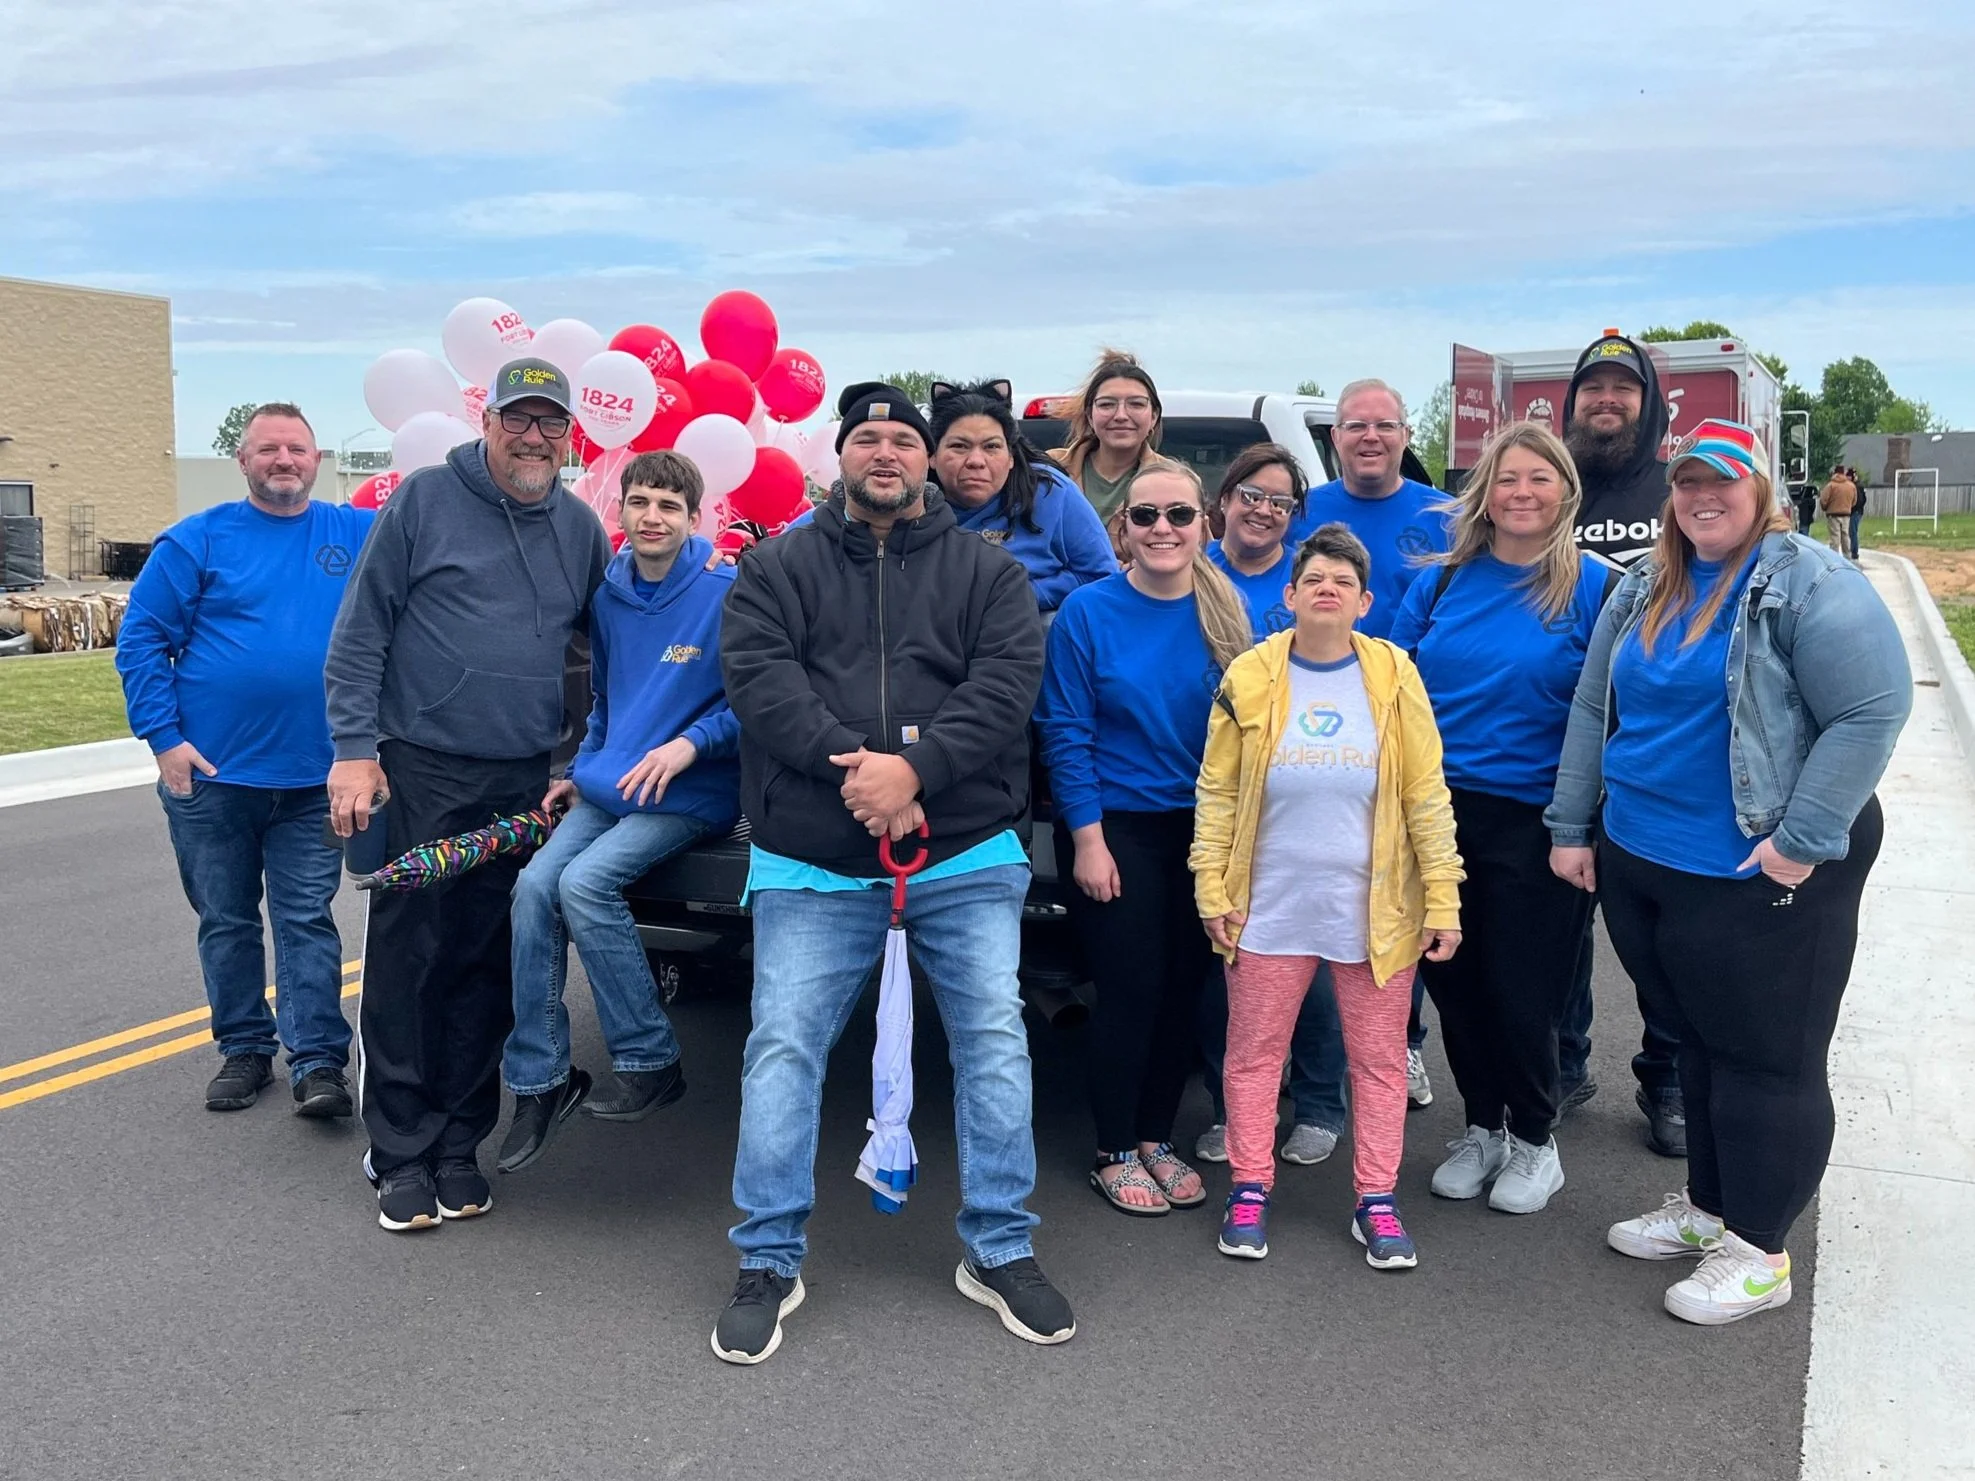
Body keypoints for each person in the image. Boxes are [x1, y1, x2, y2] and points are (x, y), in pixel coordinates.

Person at [714, 383, 1071, 1364]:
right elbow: (759, 680)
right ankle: (767, 1257)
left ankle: (999, 1246)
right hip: (811, 858)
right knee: (782, 1046)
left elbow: (1006, 684)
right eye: (866, 436)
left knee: (993, 1040)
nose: (885, 451)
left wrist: (915, 772)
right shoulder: (773, 567)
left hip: (964, 850)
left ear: (927, 460)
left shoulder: (987, 571)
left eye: (902, 439)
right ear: (840, 456)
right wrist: (864, 775)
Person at [1546, 418, 1910, 1324]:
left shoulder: (1809, 583)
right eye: (1686, 481)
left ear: (1761, 490)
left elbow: (1871, 709)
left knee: (1767, 1058)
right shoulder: (1646, 583)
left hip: (1758, 866)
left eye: (1722, 480)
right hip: (1647, 857)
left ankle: (1758, 1250)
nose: (1702, 496)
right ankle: (1711, 1209)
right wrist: (1572, 824)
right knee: (1699, 1043)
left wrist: (1801, 839)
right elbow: (1594, 704)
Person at [325, 357, 612, 1233]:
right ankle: (399, 1150)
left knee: (488, 965)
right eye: (516, 419)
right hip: (422, 765)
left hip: (523, 779)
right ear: (485, 423)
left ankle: (458, 1143)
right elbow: (361, 629)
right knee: (413, 958)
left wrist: (573, 756)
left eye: (550, 423)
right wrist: (353, 752)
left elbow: (592, 655)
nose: (533, 438)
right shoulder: (423, 500)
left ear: (569, 436)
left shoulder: (579, 527)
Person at [1193, 522, 1463, 1267]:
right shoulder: (1249, 674)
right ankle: (1249, 1185)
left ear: (1364, 602)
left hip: (1376, 913)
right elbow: (1217, 791)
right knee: (1252, 1057)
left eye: (1343, 582)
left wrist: (1442, 898)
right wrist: (1210, 885)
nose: (1327, 590)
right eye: (1313, 579)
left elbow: (1425, 793)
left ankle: (1376, 1199)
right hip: (1266, 907)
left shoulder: (1395, 674)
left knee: (1378, 1063)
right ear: (1289, 595)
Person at [117, 403, 373, 1116]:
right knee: (226, 919)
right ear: (242, 460)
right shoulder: (196, 540)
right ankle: (244, 1049)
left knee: (305, 919)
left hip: (318, 777)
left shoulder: (355, 532)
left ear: (317, 460)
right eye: (268, 449)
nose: (283, 460)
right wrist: (163, 738)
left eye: (296, 448)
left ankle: (318, 1061)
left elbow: (431, 551)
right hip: (212, 778)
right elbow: (142, 640)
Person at [1389, 422, 1613, 1214]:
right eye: (1506, 478)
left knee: (1524, 992)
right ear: (1483, 494)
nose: (1521, 492)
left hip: (1541, 819)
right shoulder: (1442, 582)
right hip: (1437, 816)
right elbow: (1392, 690)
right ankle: (1481, 1126)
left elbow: (1615, 711)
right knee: (1455, 984)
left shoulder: (1597, 588)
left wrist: (1583, 827)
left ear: (1565, 492)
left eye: (1538, 478)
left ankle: (1534, 1140)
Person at [495, 451, 740, 1175]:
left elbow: (753, 703)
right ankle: (540, 1077)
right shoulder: (608, 597)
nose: (652, 517)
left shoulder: (726, 591)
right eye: (639, 502)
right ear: (621, 511)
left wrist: (689, 746)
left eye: (668, 505)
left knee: (584, 884)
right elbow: (606, 699)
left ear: (694, 517)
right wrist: (581, 769)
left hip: (693, 791)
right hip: (611, 783)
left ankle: (649, 1058)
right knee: (531, 888)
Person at [1036, 462, 1252, 1216]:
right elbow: (1065, 732)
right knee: (1130, 990)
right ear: (1121, 527)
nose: (1163, 528)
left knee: (1186, 990)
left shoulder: (1229, 611)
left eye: (1179, 515)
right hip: (1114, 824)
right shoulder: (1087, 612)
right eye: (1146, 515)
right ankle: (1114, 1148)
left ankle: (1157, 1136)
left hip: (1204, 831)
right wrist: (1087, 840)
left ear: (1204, 524)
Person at [1287, 379, 1448, 1107]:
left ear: (1406, 434)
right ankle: (1311, 1053)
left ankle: (1400, 1043)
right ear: (1336, 438)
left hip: (1404, 722)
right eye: (1355, 426)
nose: (1370, 438)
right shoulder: (1304, 510)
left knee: (1395, 893)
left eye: (1385, 425)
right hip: (1311, 726)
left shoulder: (1442, 515)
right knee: (1314, 890)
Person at [1195, 444, 1350, 1169]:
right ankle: (1232, 1109)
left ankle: (1318, 1104)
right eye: (1250, 495)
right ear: (1223, 500)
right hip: (1205, 794)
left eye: (1279, 502)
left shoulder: (1305, 581)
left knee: (1313, 968)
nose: (1262, 510)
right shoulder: (1192, 570)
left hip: (1296, 806)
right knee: (1223, 967)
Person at [1553, 331, 1682, 1149]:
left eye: (1621, 389)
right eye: (1591, 389)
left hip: (1655, 753)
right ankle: (1563, 1064)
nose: (1605, 401)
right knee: (1558, 928)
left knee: (1659, 934)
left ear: (1647, 403)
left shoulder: (1676, 491)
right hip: (1558, 745)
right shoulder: (1548, 491)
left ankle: (1667, 1078)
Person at [927, 378, 1117, 612]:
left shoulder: (1051, 492)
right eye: (959, 446)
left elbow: (1102, 576)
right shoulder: (912, 502)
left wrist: (1020, 595)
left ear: (1011, 457)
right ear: (932, 455)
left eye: (991, 447)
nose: (976, 461)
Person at [1047, 348, 1172, 528]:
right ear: (1090, 415)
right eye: (1107, 404)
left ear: (1154, 416)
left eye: (1136, 404)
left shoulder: (1174, 480)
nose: (1121, 415)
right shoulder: (1049, 469)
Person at [1818, 464, 1859, 560]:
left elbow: (1823, 500)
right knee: (1845, 535)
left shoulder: (1830, 485)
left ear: (1835, 473)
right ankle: (1847, 556)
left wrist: (1825, 508)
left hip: (1833, 514)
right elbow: (1854, 501)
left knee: (1835, 537)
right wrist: (1848, 507)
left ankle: (1834, 557)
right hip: (1846, 514)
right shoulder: (1851, 486)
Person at [1847, 468, 1869, 560]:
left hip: (1855, 512)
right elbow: (1864, 500)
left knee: (1853, 532)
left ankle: (1854, 552)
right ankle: (1853, 550)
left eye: (1848, 476)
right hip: (1857, 512)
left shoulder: (1856, 487)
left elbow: (1860, 501)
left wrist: (1853, 508)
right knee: (1852, 532)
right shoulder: (1858, 486)